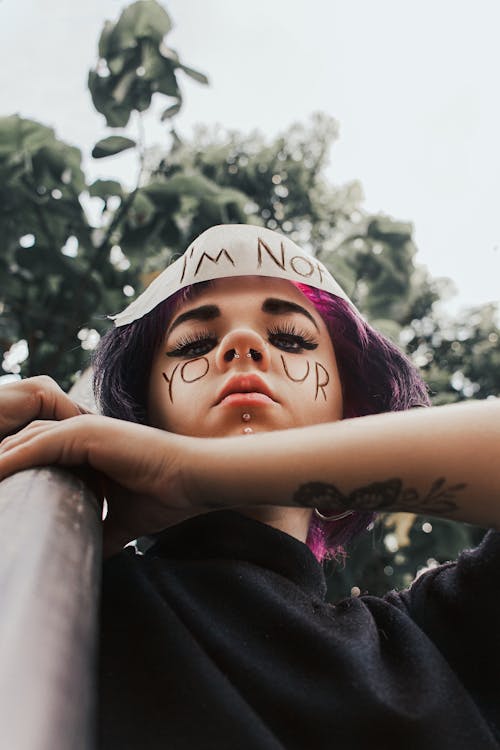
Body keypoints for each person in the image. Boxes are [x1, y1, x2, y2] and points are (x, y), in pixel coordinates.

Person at [0, 224, 499, 749]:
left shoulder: (439, 644)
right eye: (194, 344)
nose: (242, 343)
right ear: (140, 417)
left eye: (290, 338)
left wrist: (193, 470)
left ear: (352, 413)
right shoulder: (49, 578)